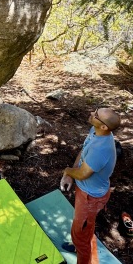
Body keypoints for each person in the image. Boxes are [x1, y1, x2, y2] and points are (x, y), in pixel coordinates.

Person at [60, 106, 121, 264]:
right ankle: (78, 246)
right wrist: (71, 173)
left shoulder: (100, 150)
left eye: (95, 115)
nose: (91, 113)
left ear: (104, 126)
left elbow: (82, 174)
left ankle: (82, 252)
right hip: (85, 191)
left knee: (80, 234)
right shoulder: (97, 131)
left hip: (90, 198)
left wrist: (67, 171)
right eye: (95, 110)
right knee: (84, 228)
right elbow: (83, 151)